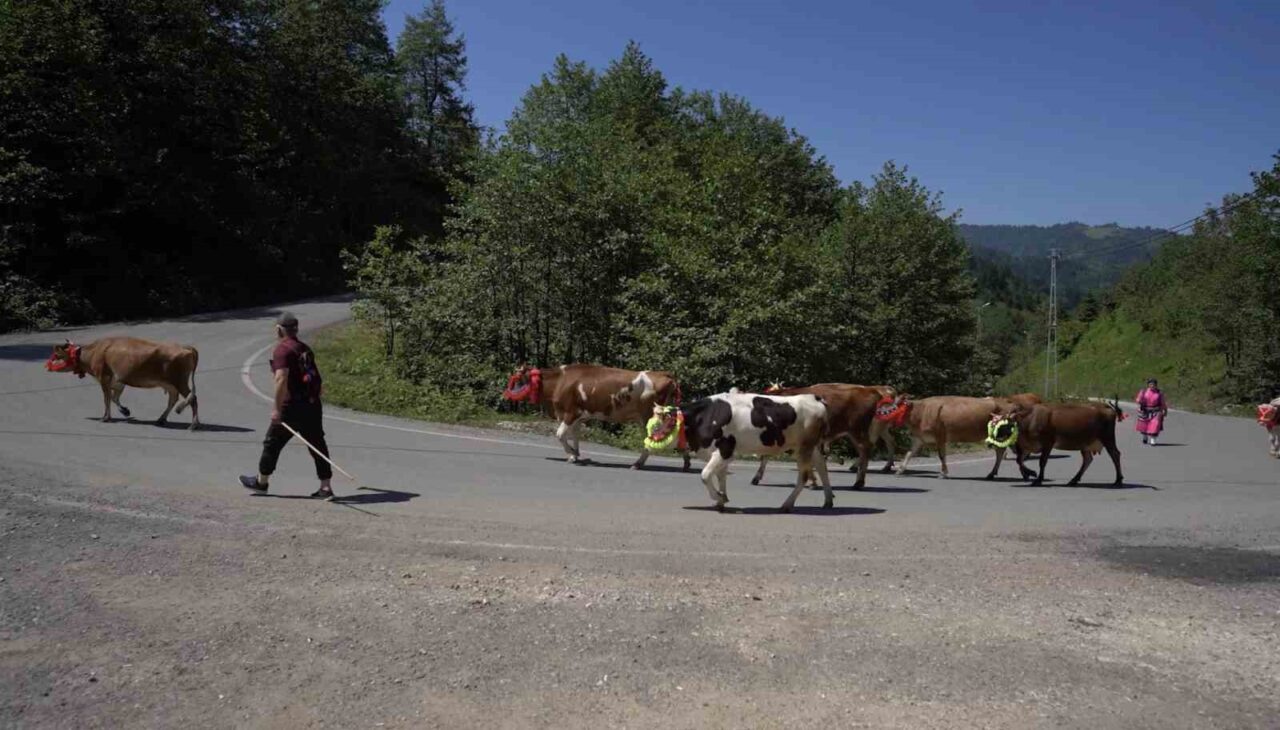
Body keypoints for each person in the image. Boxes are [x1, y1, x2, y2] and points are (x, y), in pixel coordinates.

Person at [239, 312, 335, 499]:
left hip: (291, 407)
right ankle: (325, 487)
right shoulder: (304, 348)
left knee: (272, 443)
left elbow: (281, 379)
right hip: (312, 405)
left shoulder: (282, 350)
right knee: (317, 444)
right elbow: (316, 378)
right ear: (296, 329)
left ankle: (261, 482)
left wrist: (276, 408)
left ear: (279, 329)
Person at [1134, 378, 1168, 446]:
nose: (1152, 386)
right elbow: (1138, 399)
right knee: (1144, 425)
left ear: (1156, 385)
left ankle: (1153, 439)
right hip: (1145, 410)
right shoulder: (1143, 391)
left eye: (1153, 384)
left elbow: (1163, 403)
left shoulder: (1159, 393)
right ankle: (1145, 436)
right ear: (1148, 385)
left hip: (1156, 411)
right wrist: (1139, 402)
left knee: (1155, 425)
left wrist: (1165, 410)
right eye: (1150, 384)